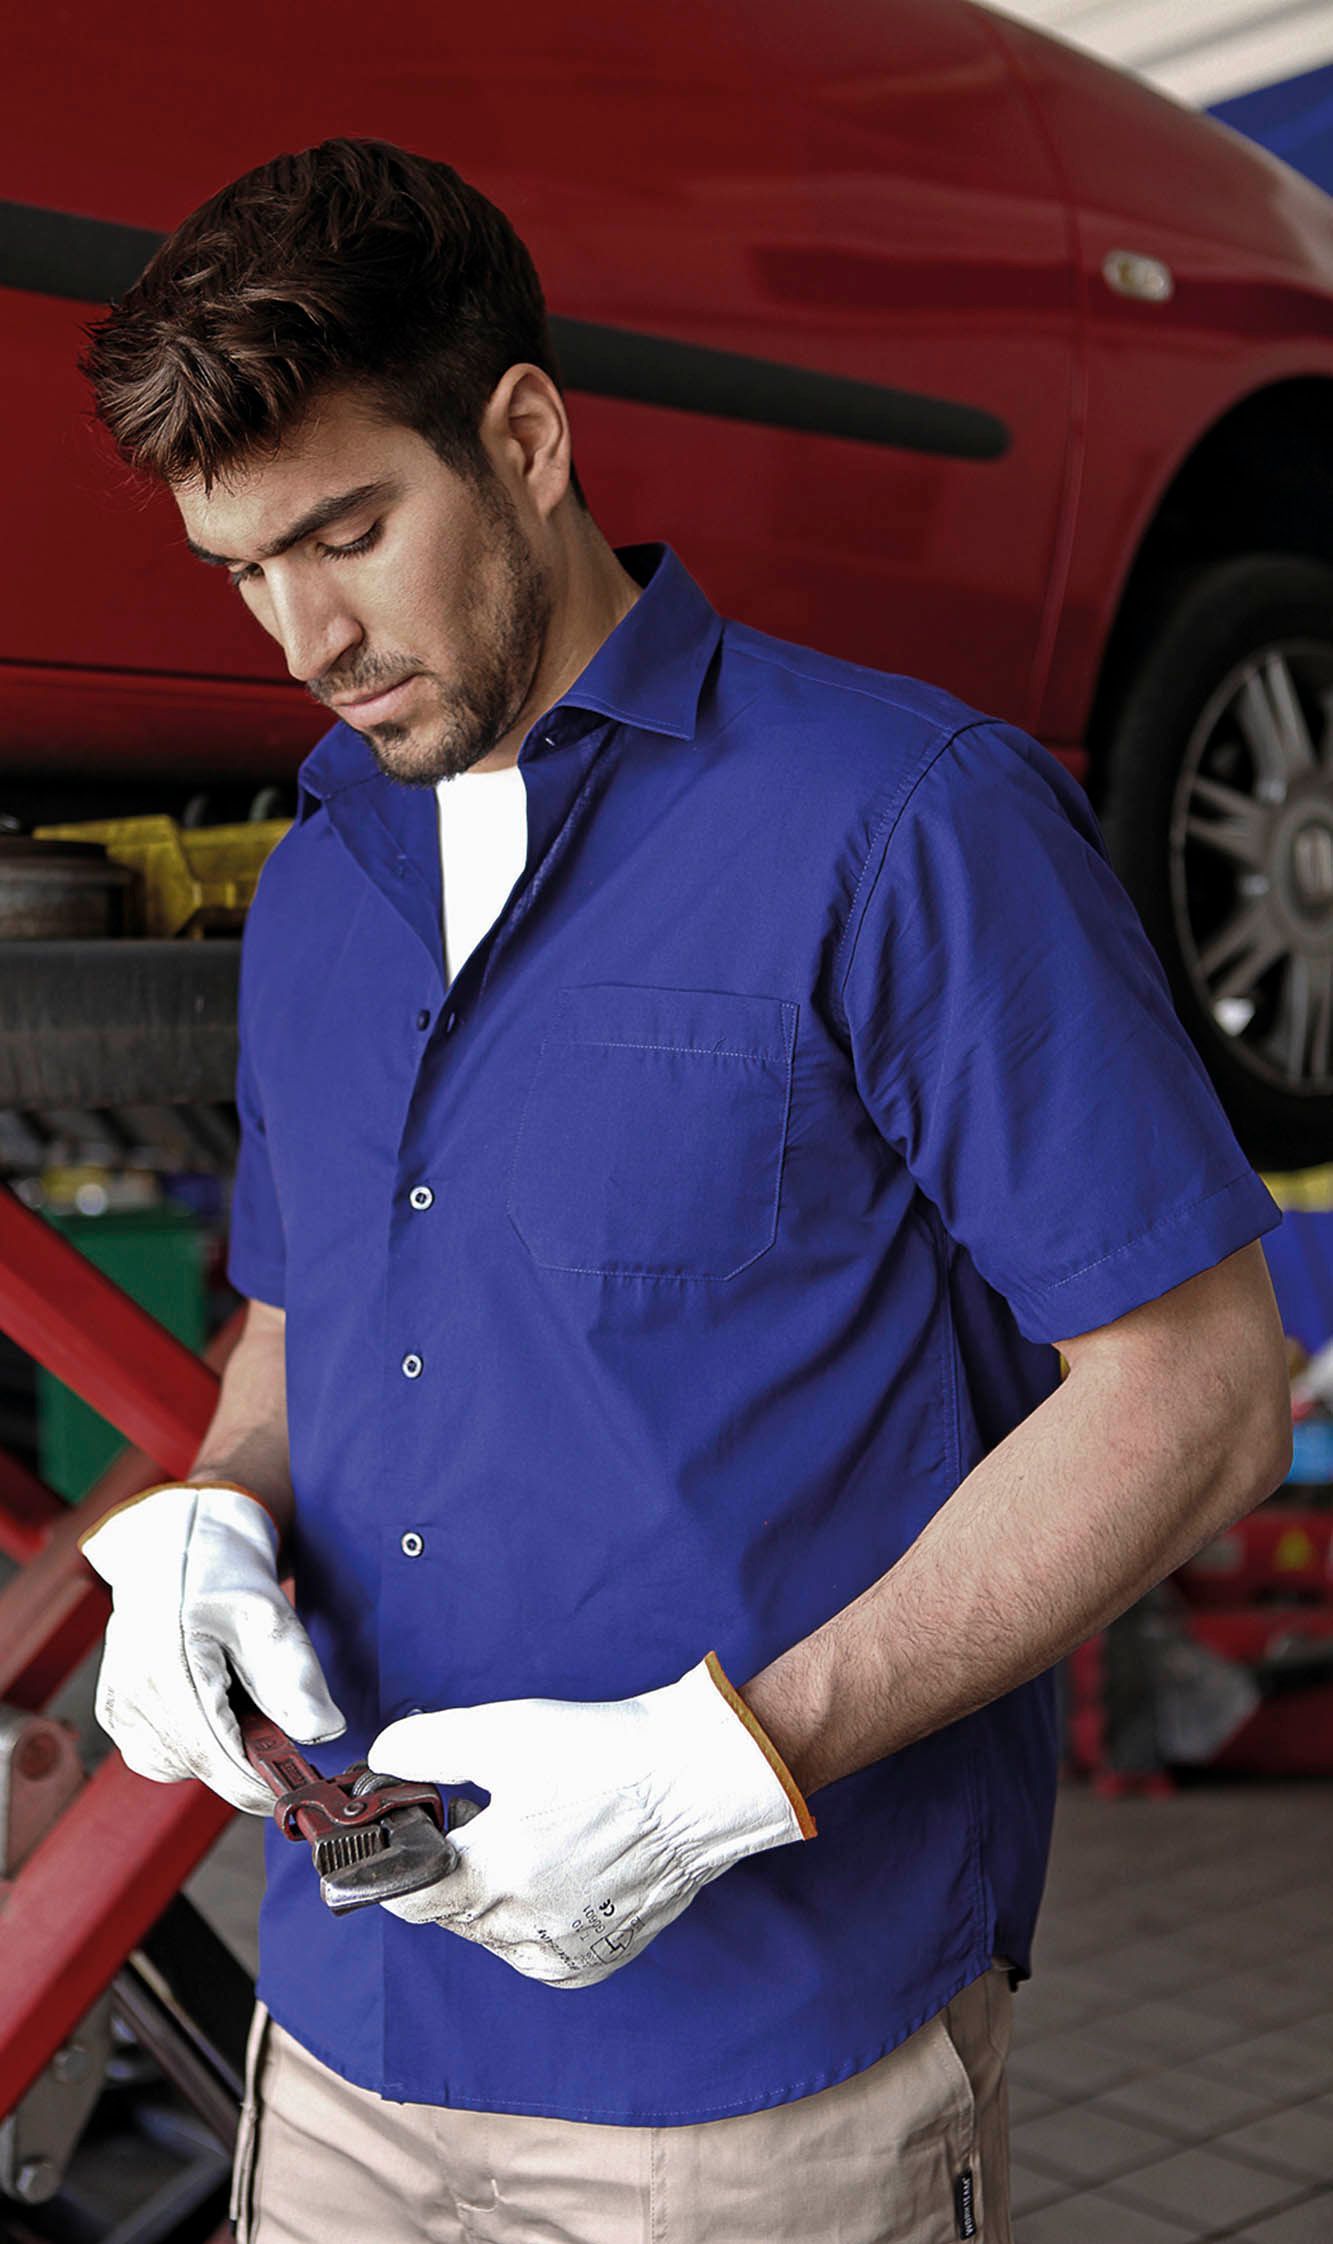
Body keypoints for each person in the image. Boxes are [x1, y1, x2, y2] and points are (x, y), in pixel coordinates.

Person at [77, 138, 1290, 2243]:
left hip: (759, 2085)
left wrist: (731, 1766)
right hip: (347, 2035)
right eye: (243, 570)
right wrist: (219, 1518)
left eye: (349, 533)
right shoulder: (320, 889)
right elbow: (299, 1323)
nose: (306, 636)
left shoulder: (902, 823)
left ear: (526, 440)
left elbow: (1196, 1394)